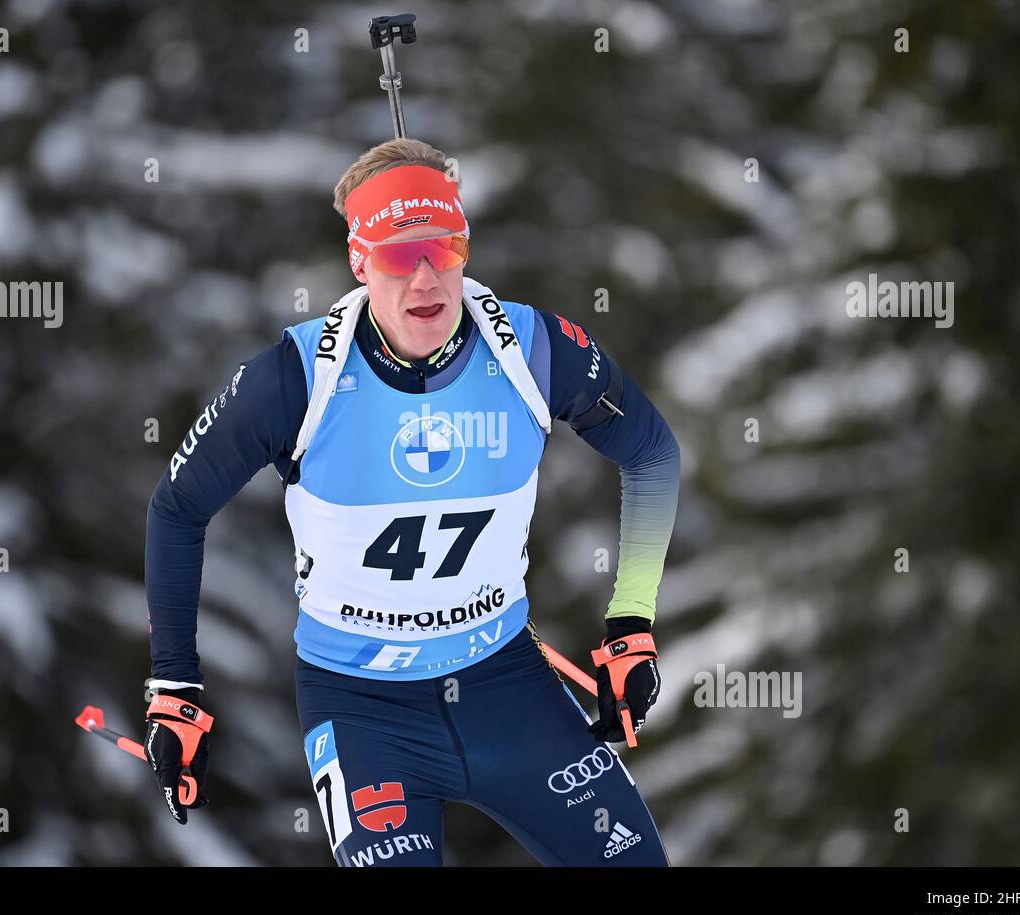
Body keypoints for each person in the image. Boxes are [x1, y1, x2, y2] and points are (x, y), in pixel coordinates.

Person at [142, 138, 681, 866]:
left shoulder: (534, 352)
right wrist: (174, 684)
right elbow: (178, 508)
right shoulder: (297, 380)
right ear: (359, 262)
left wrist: (633, 623)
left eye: (445, 247)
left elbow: (651, 453)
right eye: (399, 255)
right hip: (364, 712)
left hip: (506, 686)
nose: (426, 276)